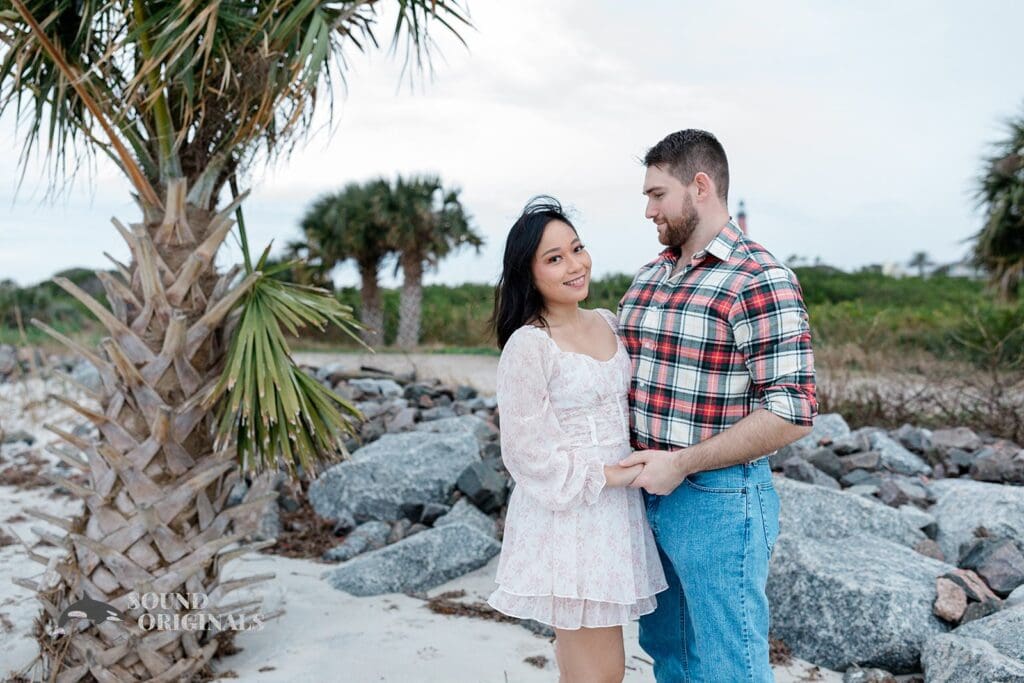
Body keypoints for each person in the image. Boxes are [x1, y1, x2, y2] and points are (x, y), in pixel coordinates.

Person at [617, 129, 818, 682]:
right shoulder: (649, 278)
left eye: (657, 195)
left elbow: (793, 410)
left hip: (720, 503)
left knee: (732, 668)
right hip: (643, 496)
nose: (648, 210)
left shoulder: (760, 278)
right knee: (669, 655)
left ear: (700, 186)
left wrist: (681, 463)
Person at [486, 197, 668, 683]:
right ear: (529, 274)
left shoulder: (608, 321)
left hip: (618, 512)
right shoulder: (529, 343)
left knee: (592, 671)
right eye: (554, 258)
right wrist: (606, 475)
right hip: (571, 515)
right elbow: (524, 451)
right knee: (602, 673)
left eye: (577, 248)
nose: (575, 265)